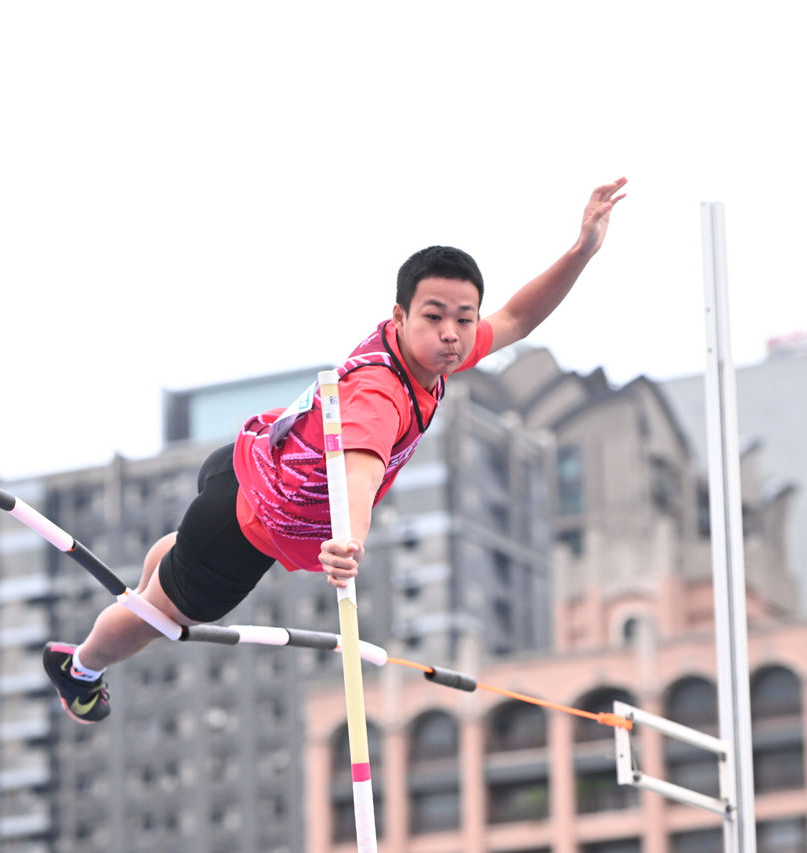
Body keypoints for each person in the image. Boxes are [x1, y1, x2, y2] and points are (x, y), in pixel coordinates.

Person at [43, 177, 628, 723]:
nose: (452, 332)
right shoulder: (381, 394)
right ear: (400, 316)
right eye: (434, 317)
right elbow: (359, 473)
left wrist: (581, 251)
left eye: (464, 319)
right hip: (246, 526)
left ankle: (166, 571)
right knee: (159, 620)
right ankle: (80, 667)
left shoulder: (430, 352)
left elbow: (519, 317)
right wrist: (351, 544)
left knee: (177, 569)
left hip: (247, 468)